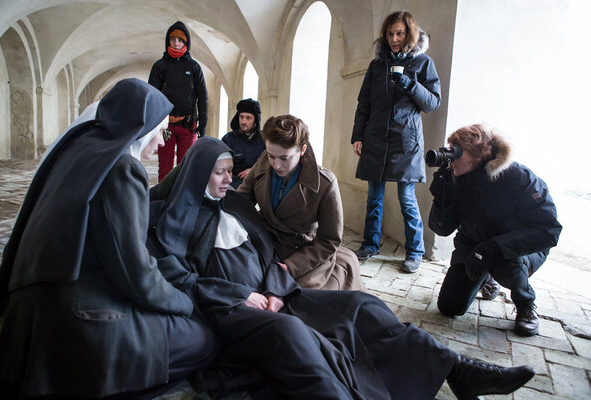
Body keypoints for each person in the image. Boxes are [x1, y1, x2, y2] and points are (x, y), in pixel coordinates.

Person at [146, 135, 535, 400]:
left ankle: (457, 368)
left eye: (232, 171)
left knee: (364, 307)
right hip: (233, 310)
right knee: (294, 337)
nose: (231, 179)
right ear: (198, 174)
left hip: (276, 294)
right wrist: (243, 295)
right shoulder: (173, 220)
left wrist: (275, 290)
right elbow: (177, 277)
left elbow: (268, 256)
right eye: (220, 172)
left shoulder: (237, 203)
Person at [0, 79, 217, 399]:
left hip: (33, 309)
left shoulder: (82, 147)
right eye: (160, 131)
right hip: (79, 315)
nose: (162, 143)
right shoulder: (122, 168)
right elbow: (134, 273)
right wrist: (182, 302)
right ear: (142, 126)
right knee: (201, 341)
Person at [429, 124, 562, 336]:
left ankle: (525, 304)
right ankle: (486, 277)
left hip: (520, 250)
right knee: (450, 306)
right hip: (473, 244)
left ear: (476, 154)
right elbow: (442, 229)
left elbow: (549, 231)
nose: (450, 158)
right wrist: (441, 199)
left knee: (503, 262)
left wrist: (494, 247)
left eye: (456, 153)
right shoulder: (457, 179)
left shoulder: (518, 177)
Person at [351, 11, 441, 273]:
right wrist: (358, 135)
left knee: (406, 198)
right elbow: (364, 103)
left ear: (409, 34)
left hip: (406, 141)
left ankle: (415, 251)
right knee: (374, 198)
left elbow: (433, 102)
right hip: (376, 138)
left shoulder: (423, 63)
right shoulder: (377, 65)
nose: (394, 38)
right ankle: (370, 244)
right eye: (390, 33)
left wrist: (410, 85)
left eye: (399, 33)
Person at [237, 114, 365, 291]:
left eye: (285, 158)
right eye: (271, 155)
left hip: (301, 252)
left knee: (296, 300)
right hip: (263, 242)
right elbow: (241, 201)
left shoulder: (325, 184)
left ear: (302, 150)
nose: (276, 165)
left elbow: (328, 241)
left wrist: (290, 266)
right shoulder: (264, 161)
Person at [149, 20, 208, 182]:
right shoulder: (160, 66)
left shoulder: (194, 67)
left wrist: (203, 124)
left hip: (188, 126)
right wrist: (152, 125)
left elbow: (203, 96)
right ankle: (163, 204)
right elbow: (152, 96)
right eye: (173, 39)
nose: (176, 43)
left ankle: (182, 203)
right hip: (165, 126)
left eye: (180, 40)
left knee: (186, 168)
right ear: (168, 41)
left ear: (186, 43)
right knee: (165, 170)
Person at [222, 98, 265, 189]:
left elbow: (270, 164)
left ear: (256, 121)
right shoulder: (228, 139)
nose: (243, 122)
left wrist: (254, 170)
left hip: (258, 183)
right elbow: (222, 168)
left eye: (248, 118)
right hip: (233, 184)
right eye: (241, 117)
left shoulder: (264, 140)